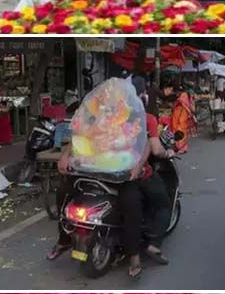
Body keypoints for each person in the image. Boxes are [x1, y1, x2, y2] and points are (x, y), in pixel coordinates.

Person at [50, 77, 172, 281]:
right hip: (105, 174)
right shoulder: (109, 116)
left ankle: (132, 256)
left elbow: (146, 146)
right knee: (67, 193)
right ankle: (66, 240)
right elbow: (81, 136)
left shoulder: (133, 117)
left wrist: (138, 166)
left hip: (111, 174)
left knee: (127, 203)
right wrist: (66, 156)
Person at [167, 83, 196, 154]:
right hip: (181, 114)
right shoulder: (185, 95)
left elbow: (181, 103)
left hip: (182, 114)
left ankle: (181, 147)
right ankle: (180, 146)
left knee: (180, 129)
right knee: (180, 129)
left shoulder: (183, 96)